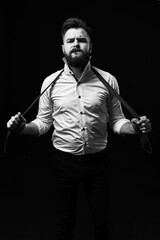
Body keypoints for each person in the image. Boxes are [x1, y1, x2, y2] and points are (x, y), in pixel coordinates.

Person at [7, 17, 152, 240]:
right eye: (71, 40)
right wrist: (22, 128)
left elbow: (116, 121)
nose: (76, 44)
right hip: (63, 164)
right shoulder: (50, 82)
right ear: (63, 47)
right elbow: (43, 123)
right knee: (65, 226)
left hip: (98, 164)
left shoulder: (108, 80)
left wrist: (134, 128)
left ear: (90, 47)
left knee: (102, 225)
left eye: (82, 40)